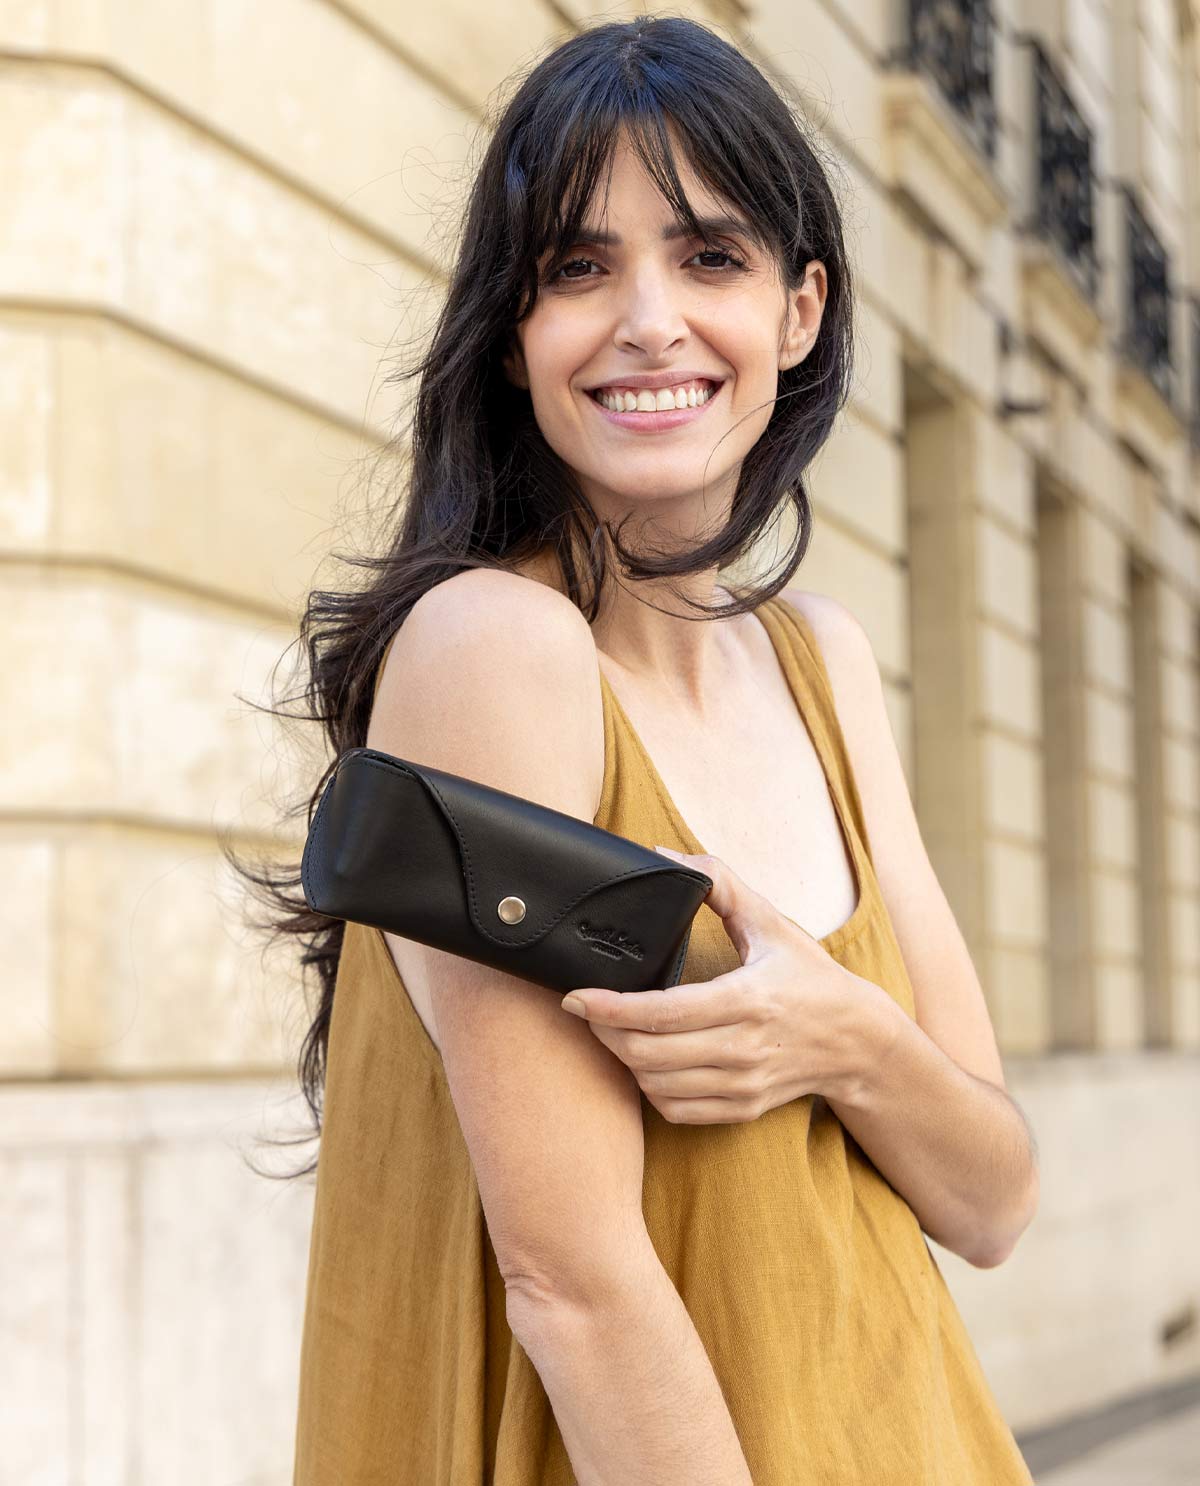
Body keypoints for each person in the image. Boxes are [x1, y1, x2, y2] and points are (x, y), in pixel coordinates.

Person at [270, 15, 1040, 1483]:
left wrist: (847, 1034)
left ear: (799, 311)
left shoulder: (823, 664)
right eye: (578, 267)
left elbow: (992, 1200)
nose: (647, 321)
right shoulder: (496, 651)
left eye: (709, 257)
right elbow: (572, 1281)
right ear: (514, 336)